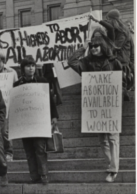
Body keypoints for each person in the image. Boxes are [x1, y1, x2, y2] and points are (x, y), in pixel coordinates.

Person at [67, 30, 126, 183]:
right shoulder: (86, 62)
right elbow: (71, 62)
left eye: (96, 45)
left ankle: (113, 169)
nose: (93, 48)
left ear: (103, 46)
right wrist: (83, 46)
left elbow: (121, 80)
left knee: (113, 138)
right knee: (103, 140)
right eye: (91, 46)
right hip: (95, 106)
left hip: (111, 104)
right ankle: (111, 163)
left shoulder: (113, 62)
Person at [14, 56, 59, 184]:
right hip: (24, 123)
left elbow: (50, 100)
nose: (31, 68)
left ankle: (44, 175)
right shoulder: (17, 85)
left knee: (40, 148)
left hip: (40, 121)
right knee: (29, 151)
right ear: (23, 69)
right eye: (28, 66)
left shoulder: (42, 81)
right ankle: (34, 177)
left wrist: (54, 116)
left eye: (33, 65)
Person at [91, 9, 134, 90]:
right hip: (118, 62)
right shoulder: (118, 30)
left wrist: (103, 42)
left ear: (113, 20)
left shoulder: (122, 33)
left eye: (109, 19)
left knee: (120, 89)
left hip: (122, 63)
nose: (108, 22)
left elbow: (115, 47)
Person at [0, 49, 18, 162]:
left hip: (7, 103)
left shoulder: (11, 71)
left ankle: (9, 152)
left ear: (1, 57)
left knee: (5, 130)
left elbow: (16, 86)